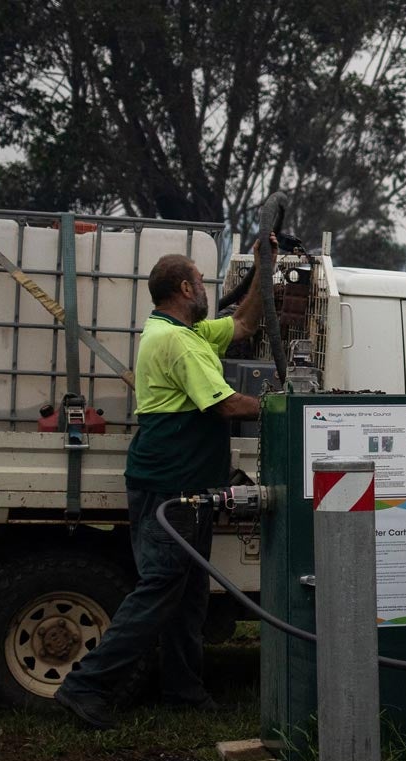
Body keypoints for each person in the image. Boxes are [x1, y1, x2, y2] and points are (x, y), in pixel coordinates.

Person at [55, 239, 272, 729]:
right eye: (201, 282)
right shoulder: (175, 341)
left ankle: (184, 690)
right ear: (184, 287)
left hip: (187, 483)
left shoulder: (187, 332)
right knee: (160, 587)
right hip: (170, 484)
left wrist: (264, 269)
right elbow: (225, 405)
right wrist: (285, 406)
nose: (206, 290)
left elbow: (243, 324)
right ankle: (84, 685)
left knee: (188, 590)